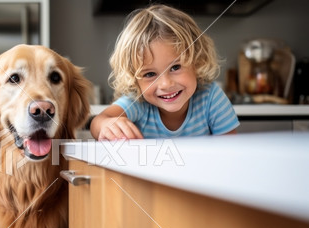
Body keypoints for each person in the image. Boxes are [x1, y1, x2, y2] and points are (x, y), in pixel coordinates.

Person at [90, 4, 239, 140]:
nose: (166, 84)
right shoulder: (137, 102)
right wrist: (106, 125)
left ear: (197, 61)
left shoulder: (211, 98)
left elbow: (230, 151)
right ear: (135, 80)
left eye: (175, 67)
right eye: (149, 74)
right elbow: (98, 122)